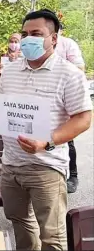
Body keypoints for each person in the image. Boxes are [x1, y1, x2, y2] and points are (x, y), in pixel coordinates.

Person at [0, 9, 92, 250]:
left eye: (36, 33)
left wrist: (47, 141)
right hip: (11, 164)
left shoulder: (69, 74)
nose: (28, 39)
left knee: (52, 235)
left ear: (54, 38)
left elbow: (84, 118)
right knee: (20, 221)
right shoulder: (11, 70)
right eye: (25, 34)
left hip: (46, 166)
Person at [55, 23, 86, 193]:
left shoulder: (67, 44)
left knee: (67, 137)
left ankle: (72, 175)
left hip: (63, 98)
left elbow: (80, 68)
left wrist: (58, 72)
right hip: (41, 97)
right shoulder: (35, 46)